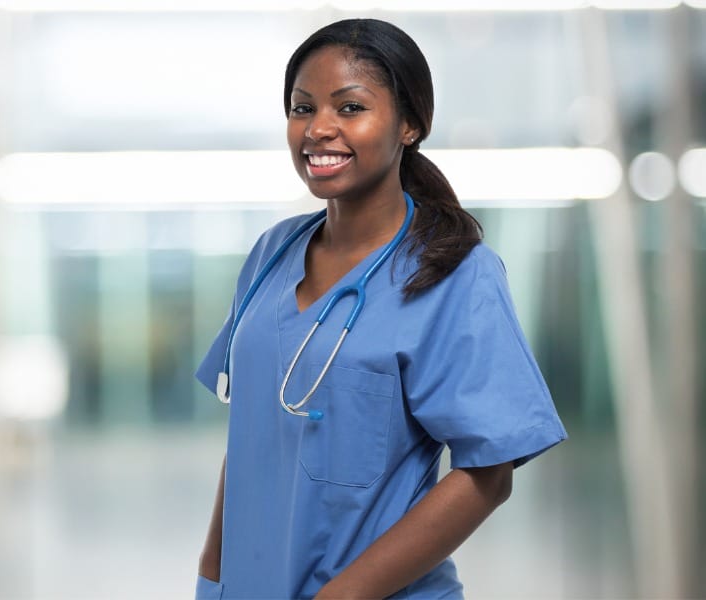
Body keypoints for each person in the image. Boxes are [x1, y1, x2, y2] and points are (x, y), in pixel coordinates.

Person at [194, 18, 567, 599]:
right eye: (301, 108)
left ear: (410, 124)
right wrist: (210, 579)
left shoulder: (454, 271)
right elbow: (249, 439)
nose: (318, 129)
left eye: (350, 108)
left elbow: (488, 475)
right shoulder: (273, 253)